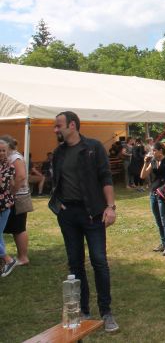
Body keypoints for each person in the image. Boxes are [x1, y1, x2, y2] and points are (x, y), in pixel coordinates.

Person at [49, 111, 119, 332]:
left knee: (99, 261)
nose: (55, 129)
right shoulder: (58, 153)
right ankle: (84, 311)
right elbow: (55, 181)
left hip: (93, 213)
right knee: (75, 263)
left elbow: (105, 177)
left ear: (72, 125)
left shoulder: (93, 147)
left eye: (58, 125)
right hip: (68, 215)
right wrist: (58, 205)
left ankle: (106, 312)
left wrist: (110, 207)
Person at [0, 135, 31, 267]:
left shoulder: (15, 157)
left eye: (3, 149)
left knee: (19, 227)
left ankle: (22, 257)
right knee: (15, 228)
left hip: (18, 197)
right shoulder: (10, 157)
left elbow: (21, 176)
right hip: (13, 197)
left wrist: (11, 192)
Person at [140, 142, 165, 256]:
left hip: (163, 195)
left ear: (160, 151)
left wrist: (163, 190)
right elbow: (143, 176)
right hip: (153, 194)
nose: (152, 152)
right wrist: (145, 163)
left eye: (154, 150)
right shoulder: (153, 162)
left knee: (164, 220)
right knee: (158, 220)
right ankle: (163, 243)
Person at [0, 139, 17, 277]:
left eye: (3, 150)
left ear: (7, 151)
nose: (1, 153)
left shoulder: (9, 167)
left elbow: (2, 185)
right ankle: (4, 262)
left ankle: (8, 260)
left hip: (3, 206)